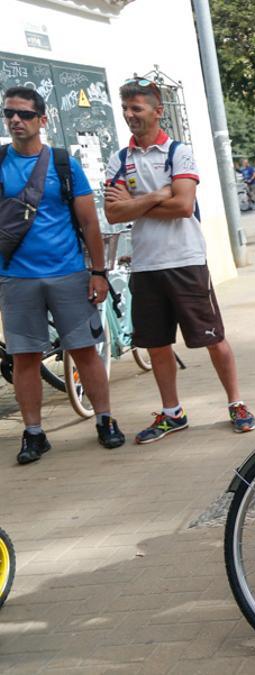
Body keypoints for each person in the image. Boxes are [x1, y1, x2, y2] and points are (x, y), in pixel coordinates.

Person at [102, 78, 255, 444]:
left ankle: (236, 403)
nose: (129, 115)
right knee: (155, 344)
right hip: (145, 265)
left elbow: (184, 206)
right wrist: (159, 194)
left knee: (213, 337)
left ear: (158, 112)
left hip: (186, 261)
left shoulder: (179, 152)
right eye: (125, 109)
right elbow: (112, 213)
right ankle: (172, 413)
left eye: (136, 108)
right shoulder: (118, 159)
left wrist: (135, 204)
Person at [1, 87, 125, 464]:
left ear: (42, 119)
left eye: (23, 114)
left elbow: (89, 222)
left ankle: (105, 420)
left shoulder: (62, 164)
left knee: (84, 350)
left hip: (69, 273)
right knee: (24, 357)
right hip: (15, 277)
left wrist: (99, 273)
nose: (15, 120)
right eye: (9, 114)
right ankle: (34, 433)